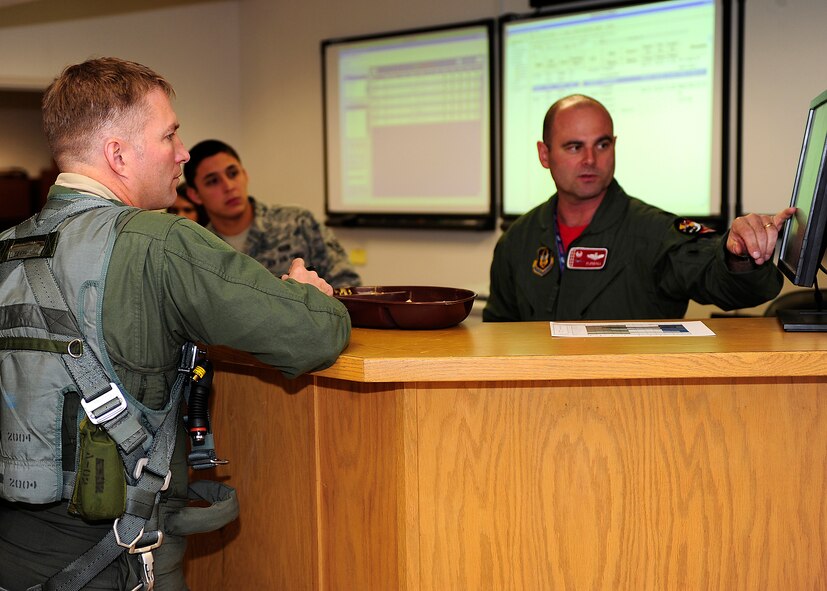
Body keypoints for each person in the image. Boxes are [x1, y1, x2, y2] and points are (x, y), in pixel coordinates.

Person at [0, 57, 350, 590]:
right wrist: (308, 296)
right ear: (117, 153)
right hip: (117, 565)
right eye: (170, 135)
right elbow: (313, 336)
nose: (184, 153)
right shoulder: (162, 243)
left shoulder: (6, 249)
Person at [483, 94, 795, 322]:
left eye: (602, 145)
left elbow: (721, 279)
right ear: (544, 154)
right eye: (575, 147)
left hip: (632, 405)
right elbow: (498, 336)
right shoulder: (517, 241)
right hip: (535, 405)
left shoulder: (654, 233)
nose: (590, 159)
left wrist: (737, 255)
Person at [183, 140, 361, 288]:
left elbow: (348, 285)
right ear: (195, 195)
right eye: (213, 181)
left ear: (245, 175)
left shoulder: (297, 222)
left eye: (233, 173)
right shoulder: (201, 248)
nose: (229, 186)